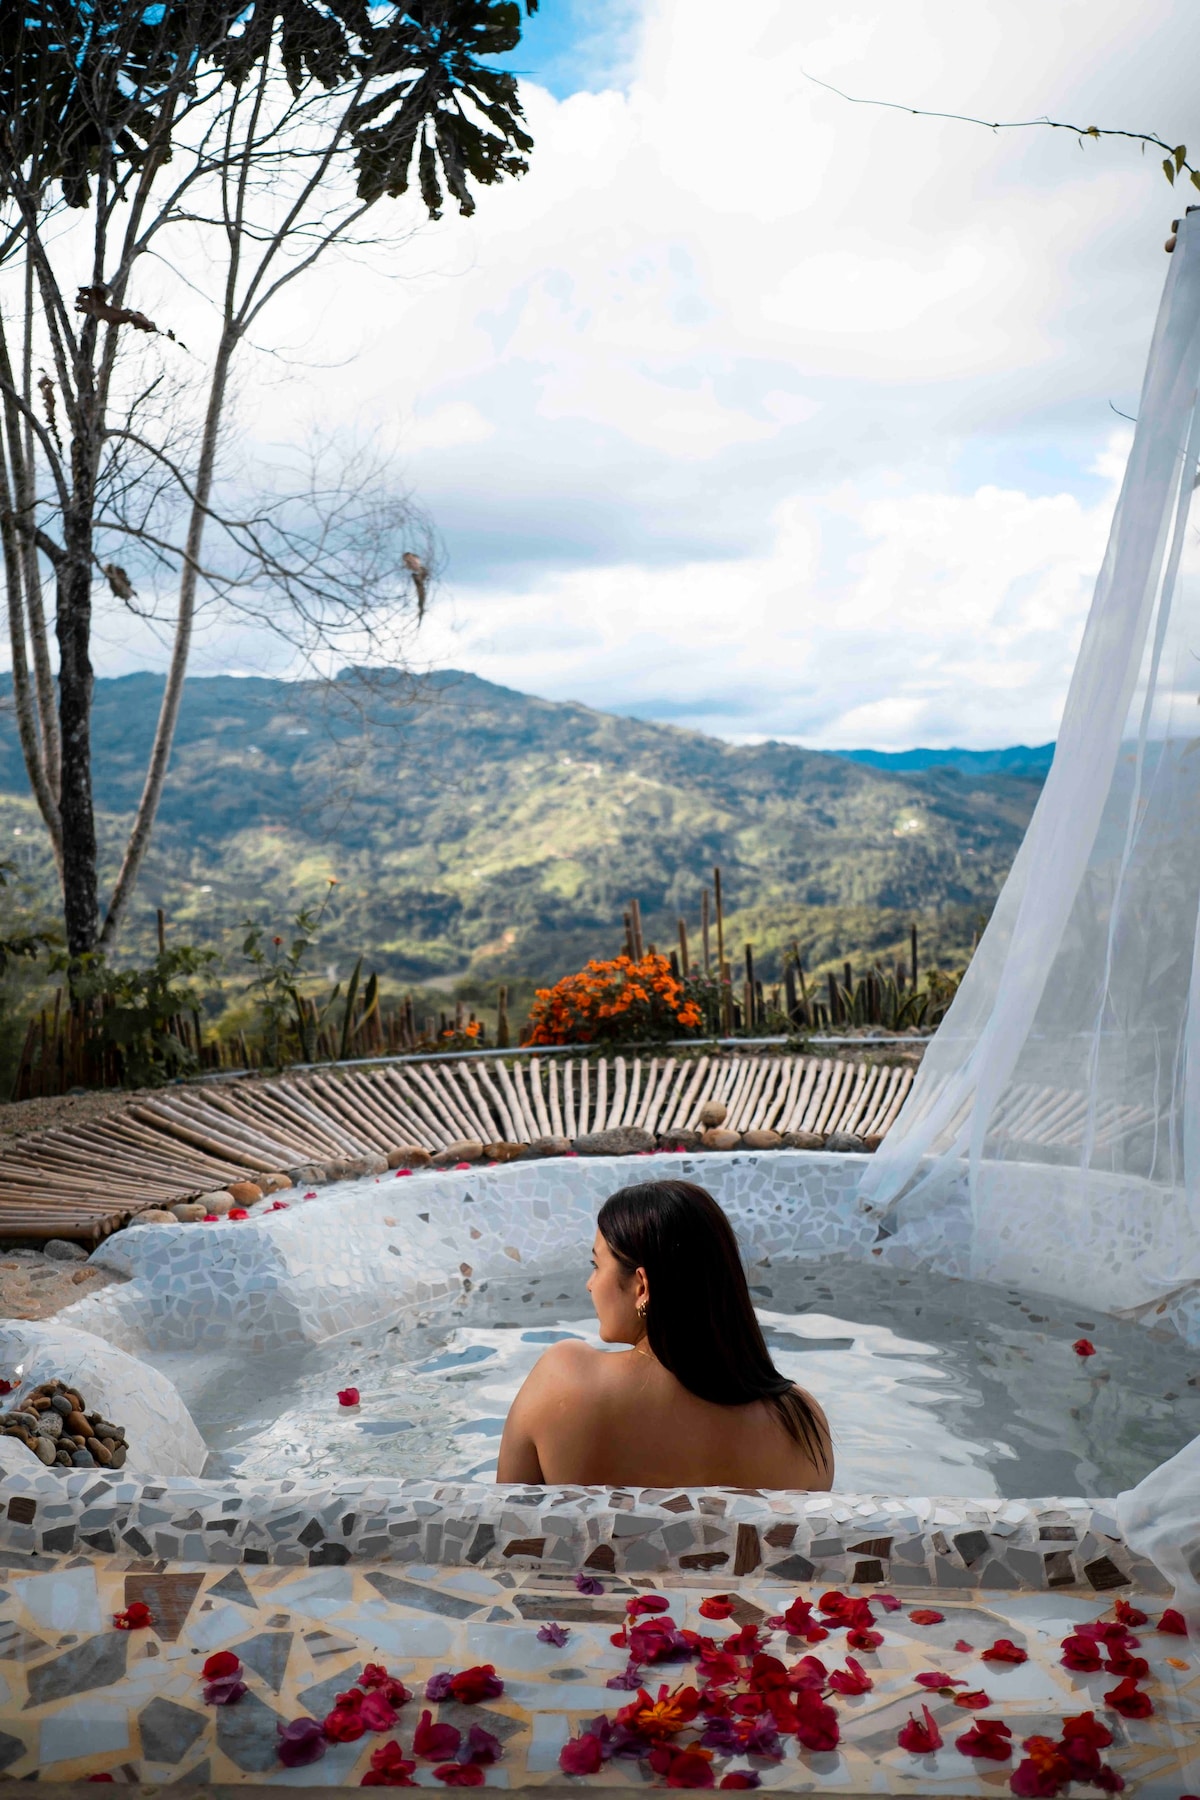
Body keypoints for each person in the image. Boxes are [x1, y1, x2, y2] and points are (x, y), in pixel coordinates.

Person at [496, 1178, 833, 1488]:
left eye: (596, 1265)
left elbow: (501, 1527)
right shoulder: (802, 1424)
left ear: (642, 1287)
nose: (590, 1284)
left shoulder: (563, 1379)